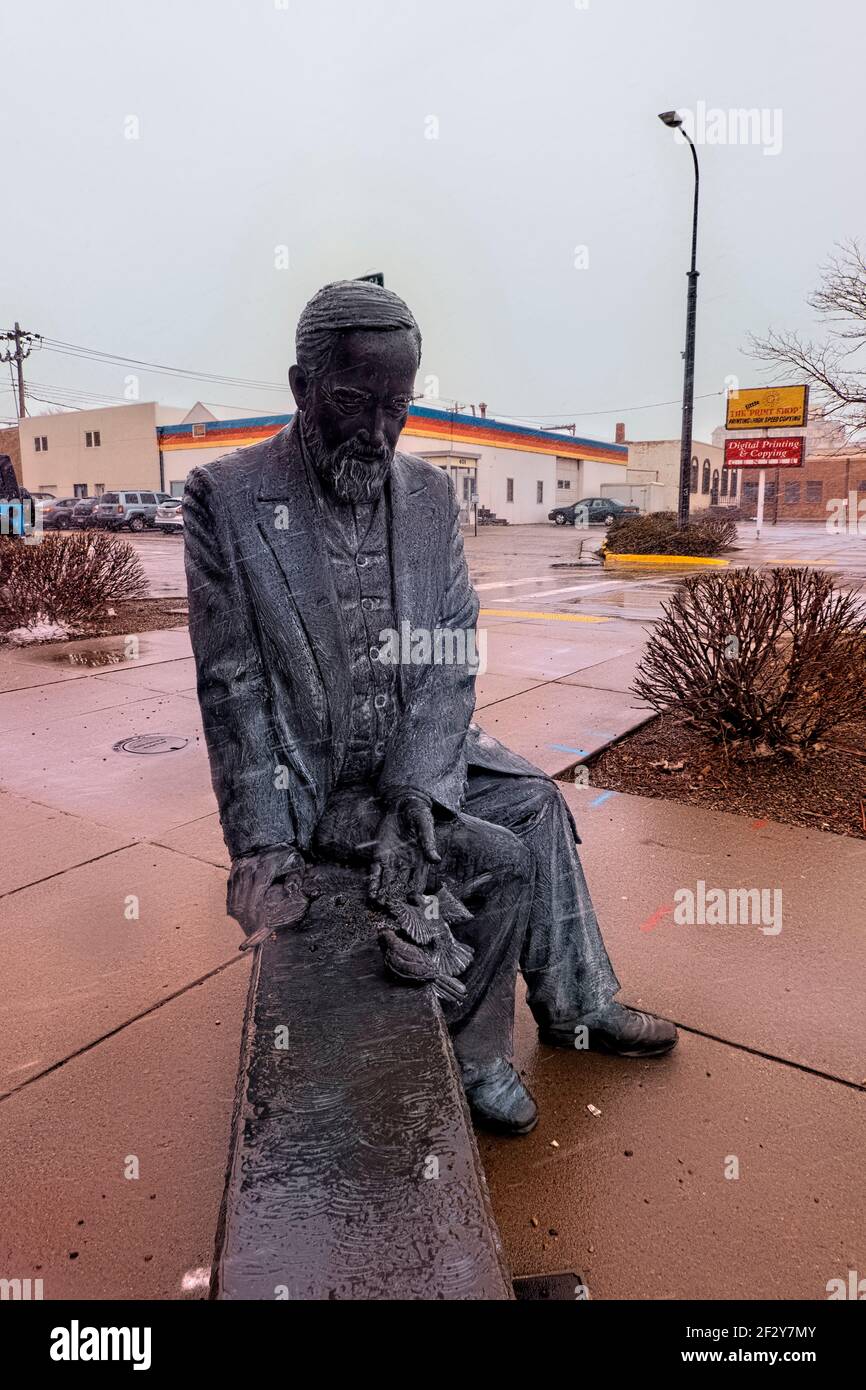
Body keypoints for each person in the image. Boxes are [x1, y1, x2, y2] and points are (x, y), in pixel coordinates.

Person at [184, 281, 676, 1136]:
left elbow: (449, 653)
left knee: (537, 804)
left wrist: (418, 785)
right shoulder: (225, 498)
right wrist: (263, 843)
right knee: (496, 856)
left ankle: (578, 1006)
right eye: (351, 401)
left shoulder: (427, 495)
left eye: (397, 406)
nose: (377, 431)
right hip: (319, 780)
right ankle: (476, 1048)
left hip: (410, 758)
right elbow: (234, 687)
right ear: (301, 387)